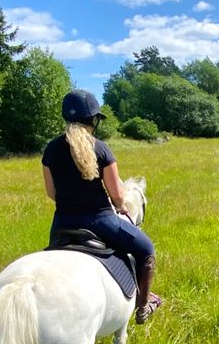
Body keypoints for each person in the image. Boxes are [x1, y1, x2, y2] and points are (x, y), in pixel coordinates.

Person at [41, 89, 162, 324]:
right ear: (93, 120)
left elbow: (51, 193)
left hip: (62, 224)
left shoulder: (51, 149)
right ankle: (143, 305)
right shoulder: (101, 148)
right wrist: (121, 207)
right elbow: (117, 195)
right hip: (101, 221)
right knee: (147, 249)